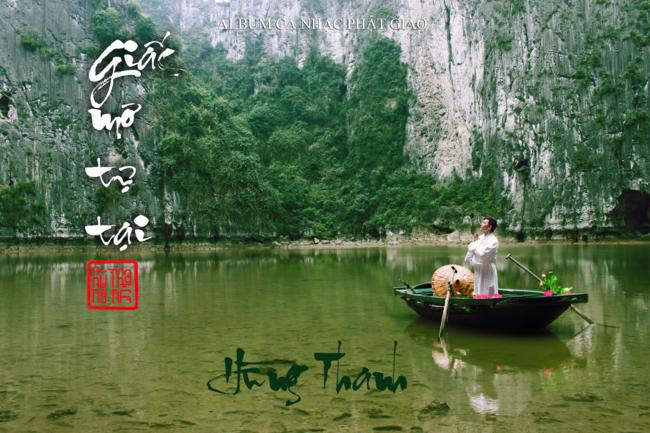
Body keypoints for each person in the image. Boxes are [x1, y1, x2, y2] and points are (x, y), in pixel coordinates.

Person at [464, 217, 499, 296]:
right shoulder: (480, 238)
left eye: (484, 223)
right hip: (478, 268)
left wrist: (474, 244)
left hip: (487, 268)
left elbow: (482, 254)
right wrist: (475, 244)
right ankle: (479, 300)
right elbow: (472, 251)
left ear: (489, 227)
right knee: (478, 288)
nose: (481, 224)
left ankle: (488, 302)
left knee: (488, 290)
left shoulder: (493, 241)